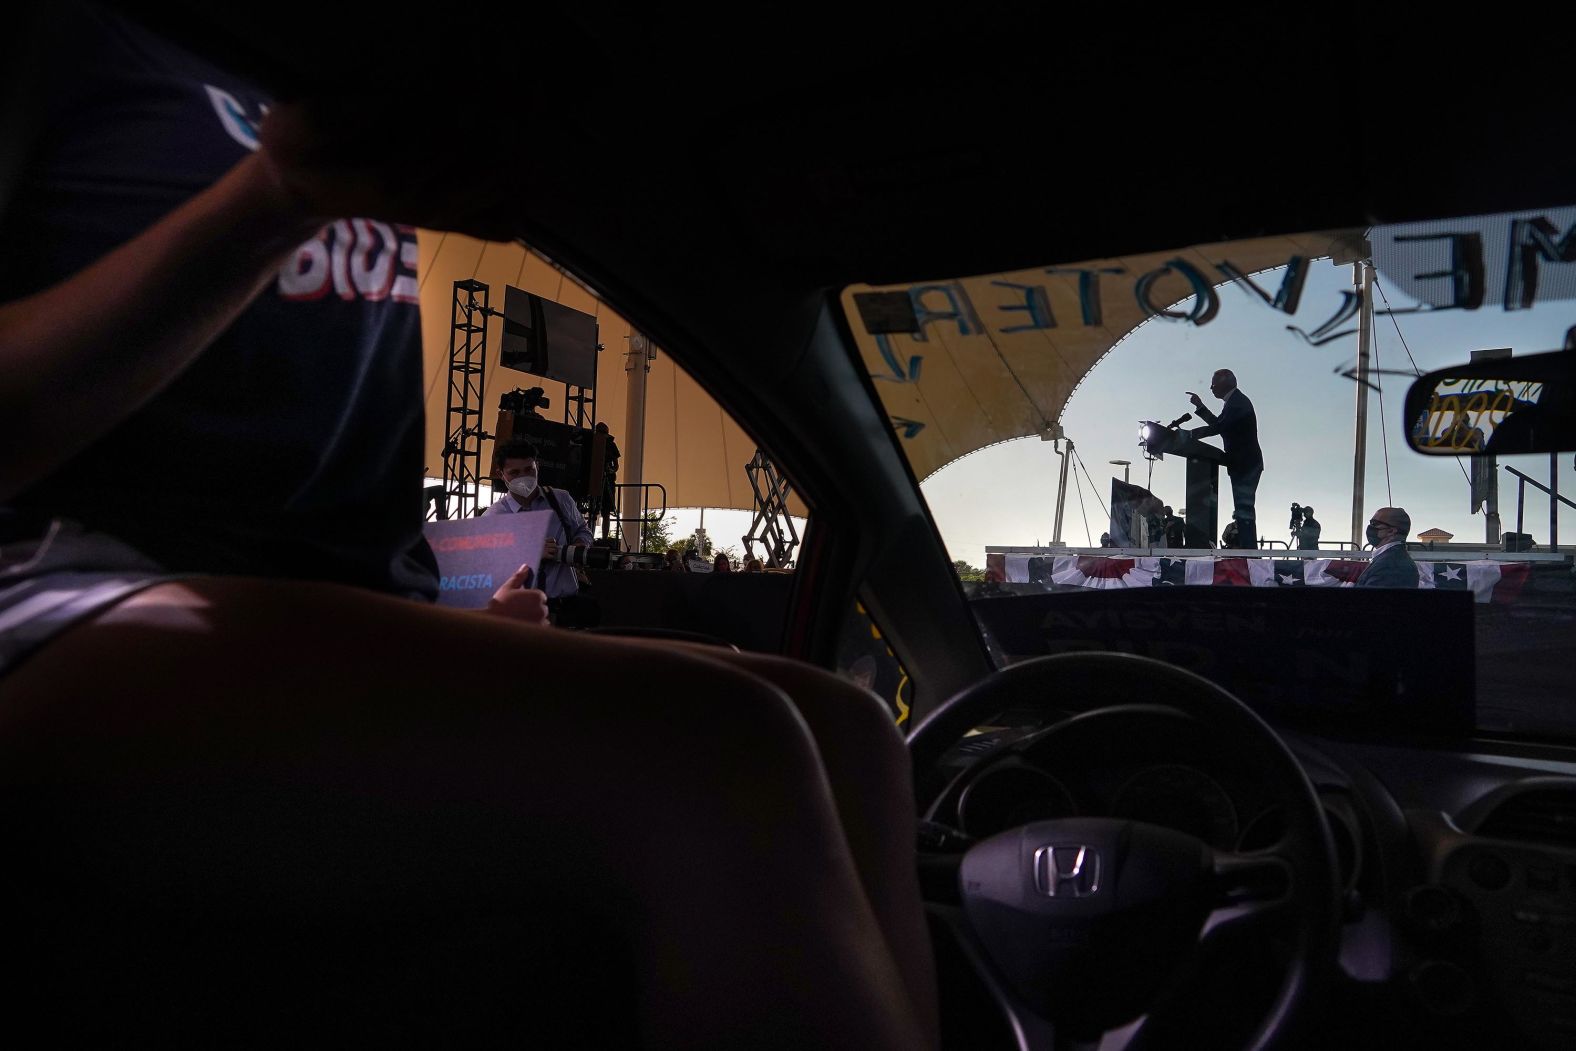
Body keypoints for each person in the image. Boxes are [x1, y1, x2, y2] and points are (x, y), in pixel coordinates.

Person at [0, 6, 937, 1046]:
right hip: (45, 586)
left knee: (850, 731)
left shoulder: (334, 85)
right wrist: (271, 202)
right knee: (728, 745)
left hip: (286, 607)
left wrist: (451, 611)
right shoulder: (76, 35)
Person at [483, 438, 593, 600]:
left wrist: (580, 546)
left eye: (529, 469)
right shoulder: (494, 517)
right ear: (501, 474)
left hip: (566, 604)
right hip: (522, 610)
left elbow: (583, 531)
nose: (524, 477)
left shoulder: (560, 500)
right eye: (514, 473)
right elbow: (489, 566)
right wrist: (531, 554)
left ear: (538, 466)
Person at [1187, 369, 1263, 549]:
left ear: (1225, 382)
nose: (1211, 387)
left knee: (1244, 510)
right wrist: (1200, 406)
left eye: (1213, 383)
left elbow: (1219, 427)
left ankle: (1248, 552)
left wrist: (1190, 435)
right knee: (1243, 509)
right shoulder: (1233, 402)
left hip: (1246, 465)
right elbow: (1219, 424)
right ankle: (1248, 550)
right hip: (1243, 465)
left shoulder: (1237, 402)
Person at [1355, 507, 1419, 587]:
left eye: (1374, 523)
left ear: (1391, 531)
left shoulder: (1390, 566)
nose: (1369, 527)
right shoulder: (1390, 558)